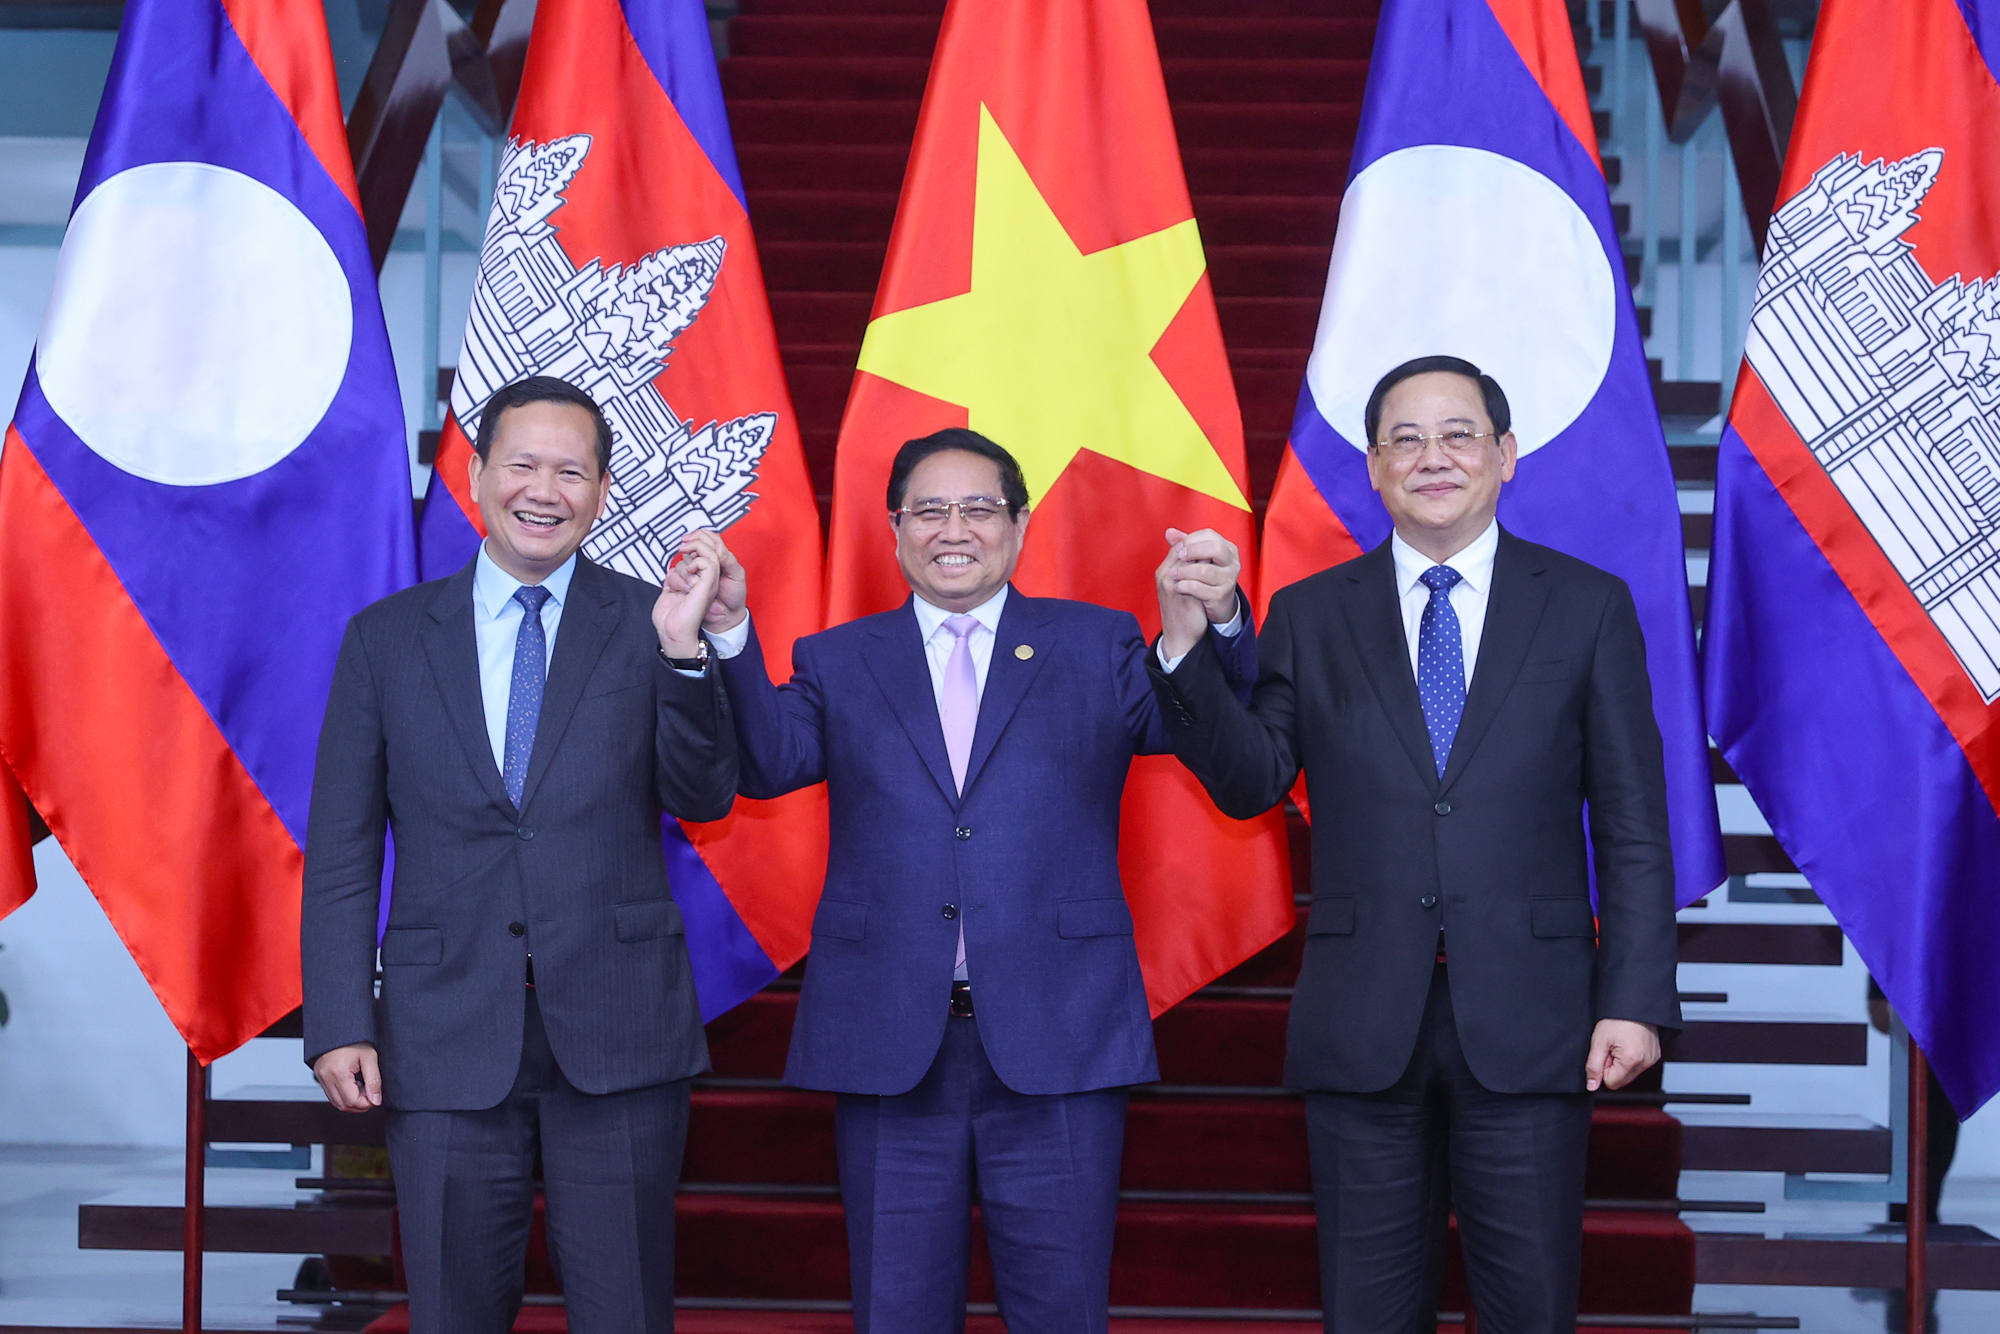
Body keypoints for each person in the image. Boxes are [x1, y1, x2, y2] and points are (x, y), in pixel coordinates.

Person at [669, 427, 1251, 1334]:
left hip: (1060, 1034)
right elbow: (770, 765)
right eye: (929, 510)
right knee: (897, 1311)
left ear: (1020, 524)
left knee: (1062, 1313)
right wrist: (729, 631)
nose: (954, 529)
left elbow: (1216, 737)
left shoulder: (1096, 643)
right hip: (891, 1037)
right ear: (894, 529)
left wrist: (1211, 628)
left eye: (979, 508)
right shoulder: (839, 656)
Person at [1150, 357, 1681, 1334]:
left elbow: (1633, 822)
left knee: (1528, 1310)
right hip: (1363, 1021)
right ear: (1373, 467)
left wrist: (1636, 999)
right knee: (1367, 1311)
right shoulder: (1312, 611)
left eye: (1457, 434)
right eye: (1405, 439)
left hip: (1534, 1018)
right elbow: (1251, 781)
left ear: (1505, 454)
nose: (1432, 457)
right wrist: (1189, 644)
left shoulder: (1585, 605)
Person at [300, 375, 738, 1334]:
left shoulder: (653, 623)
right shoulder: (385, 640)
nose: (545, 491)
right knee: (452, 1310)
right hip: (441, 1027)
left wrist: (684, 654)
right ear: (476, 474)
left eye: (571, 472)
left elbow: (704, 796)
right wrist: (338, 1021)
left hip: (620, 1027)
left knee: (625, 1311)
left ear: (604, 491)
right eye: (523, 465)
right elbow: (340, 851)